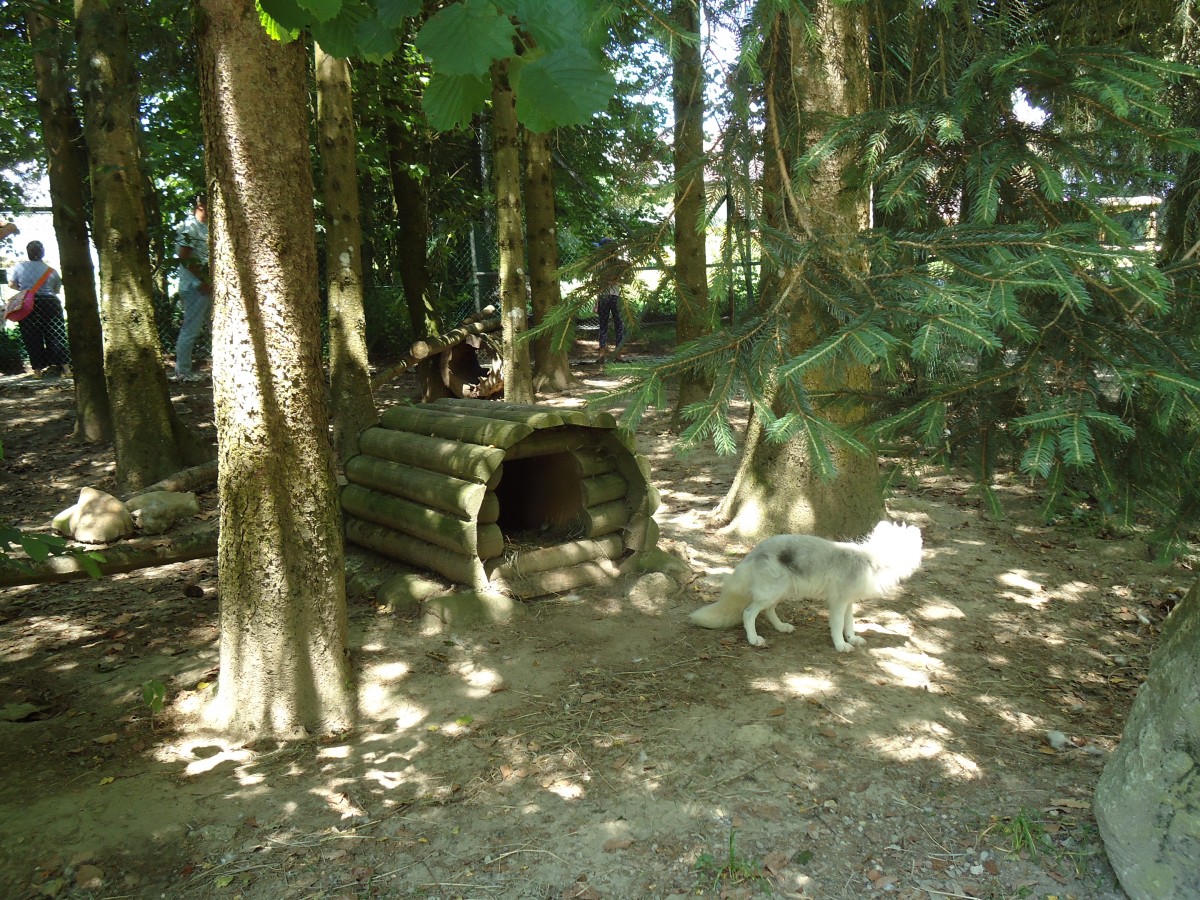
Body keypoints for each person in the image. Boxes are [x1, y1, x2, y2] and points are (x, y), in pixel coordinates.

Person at [8, 240, 70, 377]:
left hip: (29, 304)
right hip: (50, 302)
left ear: (28, 253)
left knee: (32, 336)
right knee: (56, 334)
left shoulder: (20, 267)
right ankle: (66, 369)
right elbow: (56, 290)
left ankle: (37, 371)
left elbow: (11, 284)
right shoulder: (51, 270)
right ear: (43, 253)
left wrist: (26, 290)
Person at [173, 195, 211, 381]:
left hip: (209, 287)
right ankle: (183, 372)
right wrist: (202, 280)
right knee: (191, 329)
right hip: (195, 287)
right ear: (200, 206)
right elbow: (184, 255)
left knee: (216, 329)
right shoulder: (190, 227)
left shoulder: (208, 228)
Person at [594, 237, 626, 362]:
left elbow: (599, 283)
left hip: (605, 297)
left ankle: (602, 355)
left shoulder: (600, 265)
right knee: (618, 326)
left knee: (604, 325)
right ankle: (617, 356)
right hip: (615, 296)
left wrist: (598, 300)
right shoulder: (619, 264)